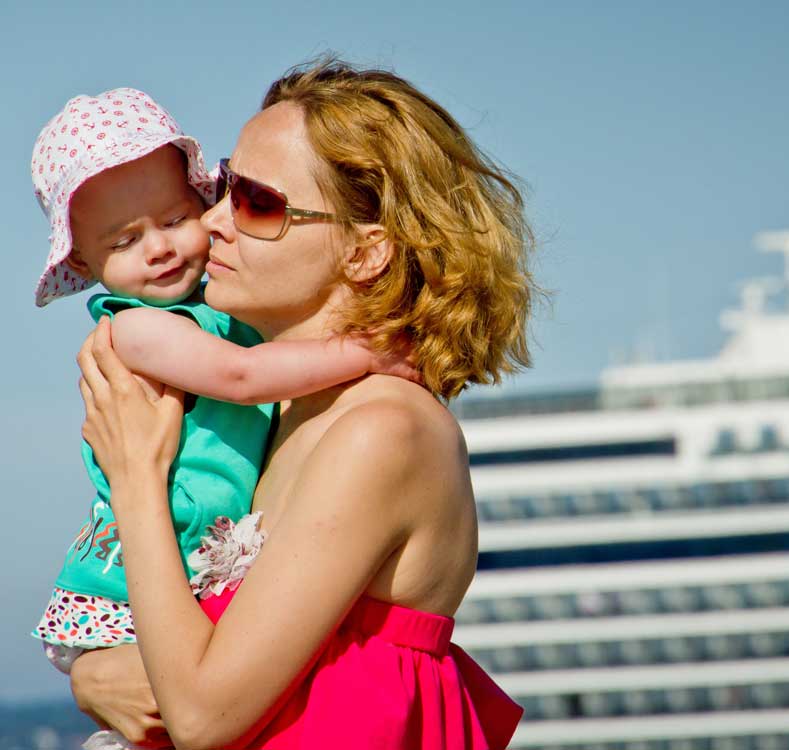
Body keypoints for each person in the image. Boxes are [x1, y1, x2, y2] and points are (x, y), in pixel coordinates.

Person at [70, 58, 537, 749]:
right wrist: (94, 671)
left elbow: (203, 715)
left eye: (257, 201)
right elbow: (188, 663)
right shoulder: (283, 417)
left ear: (366, 254)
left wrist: (136, 476)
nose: (212, 220)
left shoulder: (383, 428)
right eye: (223, 186)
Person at [30, 87, 419, 749]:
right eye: (126, 240)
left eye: (177, 217)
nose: (159, 248)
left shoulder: (229, 317)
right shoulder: (136, 331)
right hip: (128, 585)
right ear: (89, 268)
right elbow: (242, 379)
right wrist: (362, 353)